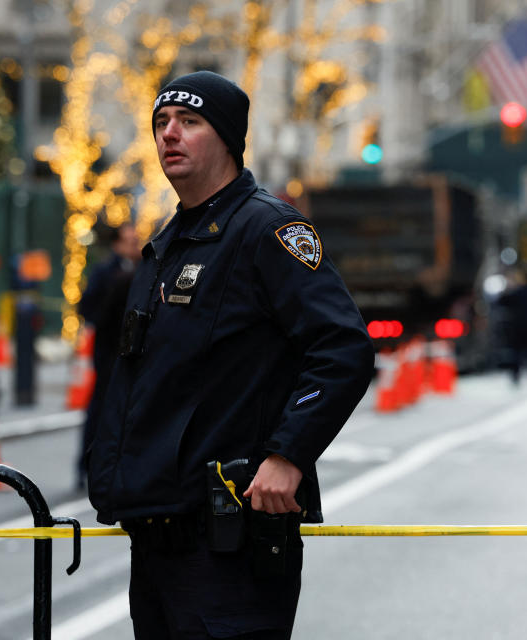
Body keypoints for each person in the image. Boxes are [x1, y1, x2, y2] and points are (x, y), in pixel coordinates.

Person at [86, 70, 374, 639]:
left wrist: (288, 456)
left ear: (227, 137)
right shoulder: (169, 243)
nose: (170, 134)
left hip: (230, 541)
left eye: (189, 122)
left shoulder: (269, 228)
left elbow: (343, 347)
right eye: (161, 122)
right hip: (158, 535)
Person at [74, 223, 141, 489]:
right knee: (101, 409)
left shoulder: (141, 267)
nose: (135, 245)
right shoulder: (107, 271)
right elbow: (88, 308)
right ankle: (87, 465)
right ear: (117, 243)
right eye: (130, 240)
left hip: (130, 353)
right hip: (109, 352)